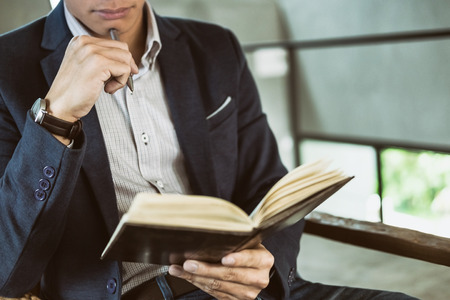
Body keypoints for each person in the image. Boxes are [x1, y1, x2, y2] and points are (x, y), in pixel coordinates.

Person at [0, 1, 418, 299]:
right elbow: (7, 269)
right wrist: (55, 117)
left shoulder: (217, 47)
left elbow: (267, 179)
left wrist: (264, 265)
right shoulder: (7, 66)